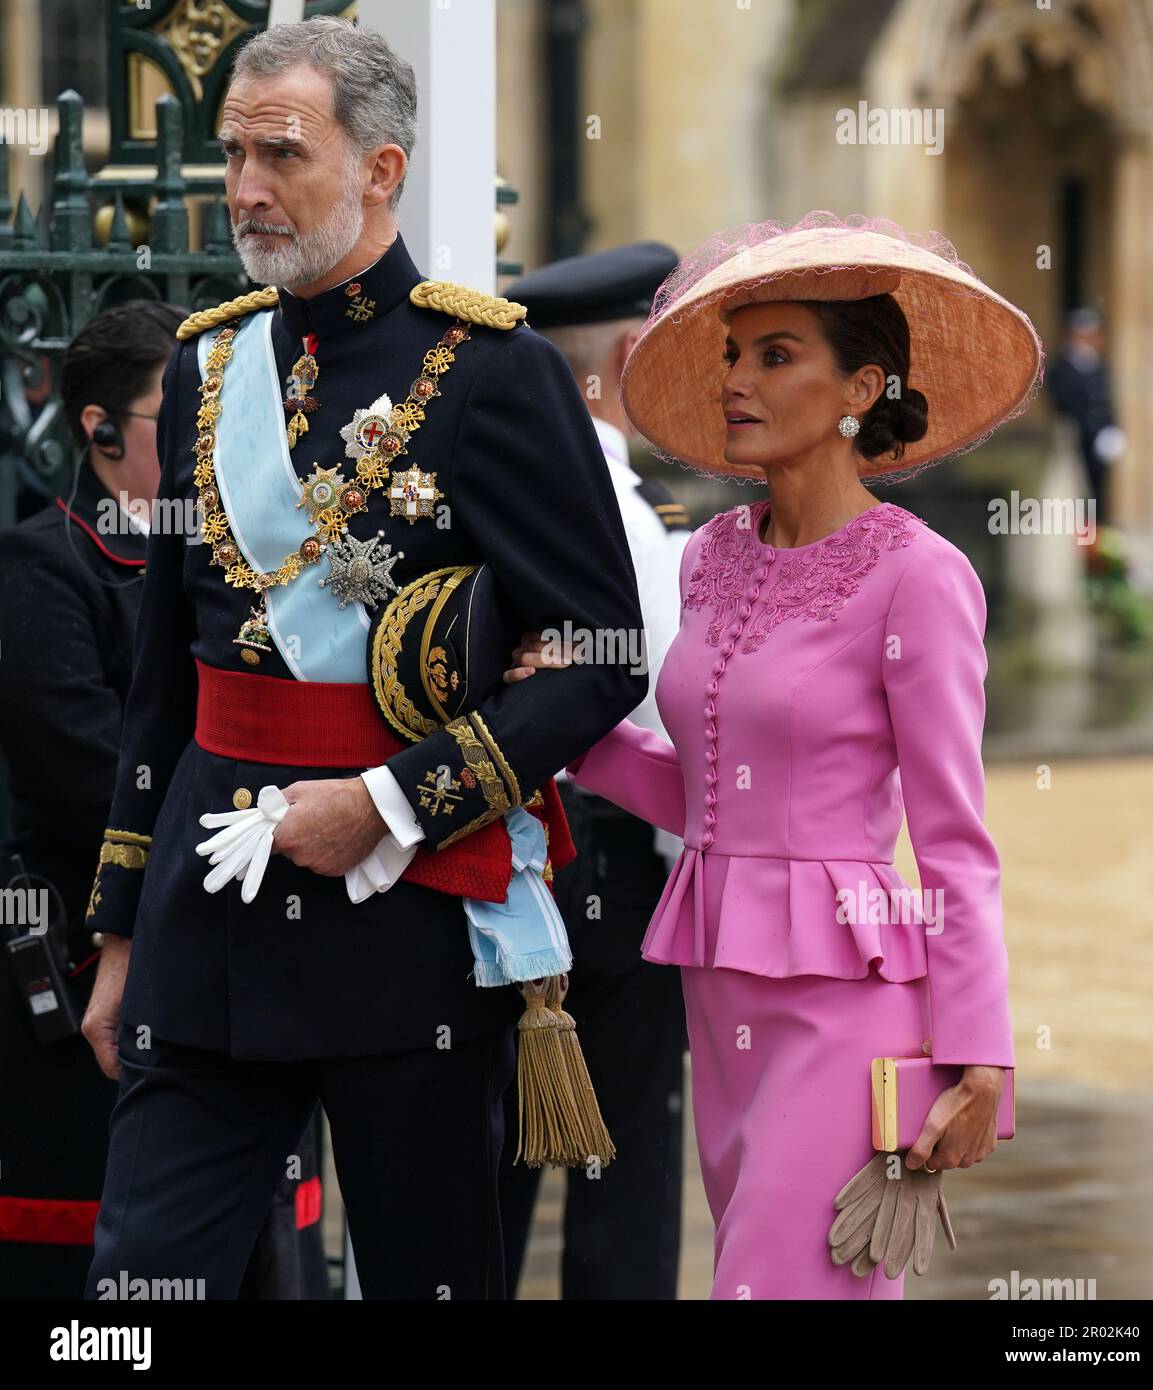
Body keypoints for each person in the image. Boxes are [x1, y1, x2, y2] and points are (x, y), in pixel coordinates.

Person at [81, 16, 645, 1301]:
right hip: (206, 913)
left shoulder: (492, 371)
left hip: (403, 923)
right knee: (133, 1293)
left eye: (281, 154)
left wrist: (394, 801)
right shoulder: (207, 358)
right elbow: (166, 685)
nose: (244, 190)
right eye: (231, 155)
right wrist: (117, 933)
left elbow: (600, 654)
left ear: (382, 168)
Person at [505, 212, 1040, 1299]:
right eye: (732, 355)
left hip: (847, 1004)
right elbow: (697, 792)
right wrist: (563, 730)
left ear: (859, 389)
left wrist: (979, 1053)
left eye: (775, 355)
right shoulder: (707, 556)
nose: (736, 380)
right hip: (719, 986)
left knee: (772, 1282)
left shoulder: (918, 577)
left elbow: (951, 838)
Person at [0, 301, 328, 1299]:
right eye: (175, 418)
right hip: (105, 961)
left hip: (259, 948)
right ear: (99, 431)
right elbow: (90, 776)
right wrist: (272, 813)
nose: (207, 444)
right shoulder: (40, 567)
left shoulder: (253, 567)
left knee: (272, 1248)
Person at [498, 243, 690, 1299]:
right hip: (609, 862)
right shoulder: (627, 510)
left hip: (491, 852)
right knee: (623, 1180)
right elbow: (671, 701)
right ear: (627, 353)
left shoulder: (491, 485)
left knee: (492, 1167)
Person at [1046, 306, 1123, 524]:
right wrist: (1091, 432)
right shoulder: (1062, 367)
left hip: (1099, 444)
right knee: (1078, 494)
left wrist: (1111, 428)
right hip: (1078, 441)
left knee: (1097, 495)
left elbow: (1105, 401)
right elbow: (1067, 402)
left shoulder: (1096, 365)